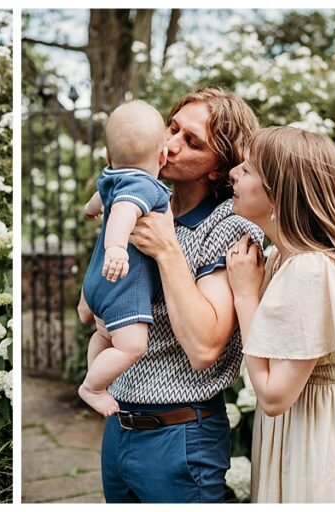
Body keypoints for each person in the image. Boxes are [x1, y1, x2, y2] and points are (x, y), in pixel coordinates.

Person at [93, 88, 262, 503]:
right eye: (172, 128)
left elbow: (204, 348)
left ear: (217, 168)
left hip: (181, 438)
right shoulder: (142, 203)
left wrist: (167, 250)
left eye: (192, 142)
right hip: (119, 427)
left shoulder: (229, 228)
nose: (169, 145)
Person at [225, 126, 335, 503]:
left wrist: (245, 296)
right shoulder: (283, 258)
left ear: (277, 194)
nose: (234, 173)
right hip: (294, 432)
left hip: (310, 441)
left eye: (247, 170)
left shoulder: (309, 270)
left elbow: (275, 396)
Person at [78, 100, 171, 417]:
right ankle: (92, 387)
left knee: (104, 335)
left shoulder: (111, 177)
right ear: (163, 156)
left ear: (108, 157)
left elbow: (100, 200)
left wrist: (91, 209)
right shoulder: (145, 186)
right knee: (132, 346)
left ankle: (96, 378)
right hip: (122, 284)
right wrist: (117, 247)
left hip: (96, 282)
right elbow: (123, 209)